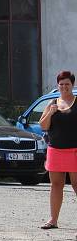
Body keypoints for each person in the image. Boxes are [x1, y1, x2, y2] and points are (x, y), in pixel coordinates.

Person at [39, 70, 77, 230]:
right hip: (55, 151)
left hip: (74, 151)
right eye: (61, 84)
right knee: (55, 185)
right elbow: (43, 126)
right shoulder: (52, 103)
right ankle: (53, 220)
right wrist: (51, 112)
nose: (64, 87)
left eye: (67, 84)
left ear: (72, 85)